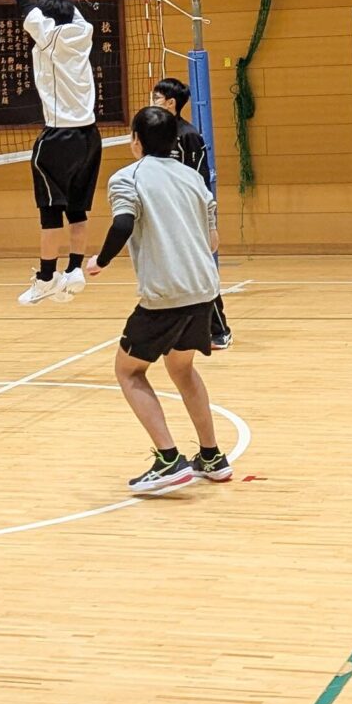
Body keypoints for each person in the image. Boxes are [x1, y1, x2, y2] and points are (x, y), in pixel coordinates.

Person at [91, 106, 232, 494]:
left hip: (166, 295)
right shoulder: (193, 178)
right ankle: (212, 457)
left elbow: (123, 223)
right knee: (182, 369)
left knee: (128, 371)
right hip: (204, 290)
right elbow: (213, 240)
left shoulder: (127, 178)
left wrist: (100, 261)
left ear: (135, 140)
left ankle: (169, 459)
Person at [0, 0, 101, 308]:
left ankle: (45, 278)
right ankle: (74, 270)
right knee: (78, 209)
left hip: (58, 138)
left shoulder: (48, 36)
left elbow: (26, 6)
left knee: (50, 212)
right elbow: (50, 4)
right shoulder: (83, 29)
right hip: (90, 136)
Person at [148, 77, 229, 350]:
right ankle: (175, 330)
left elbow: (200, 182)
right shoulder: (155, 135)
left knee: (198, 271)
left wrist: (209, 223)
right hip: (164, 216)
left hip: (189, 217)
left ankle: (219, 330)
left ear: (171, 103)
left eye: (156, 98)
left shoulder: (188, 135)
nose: (152, 102)